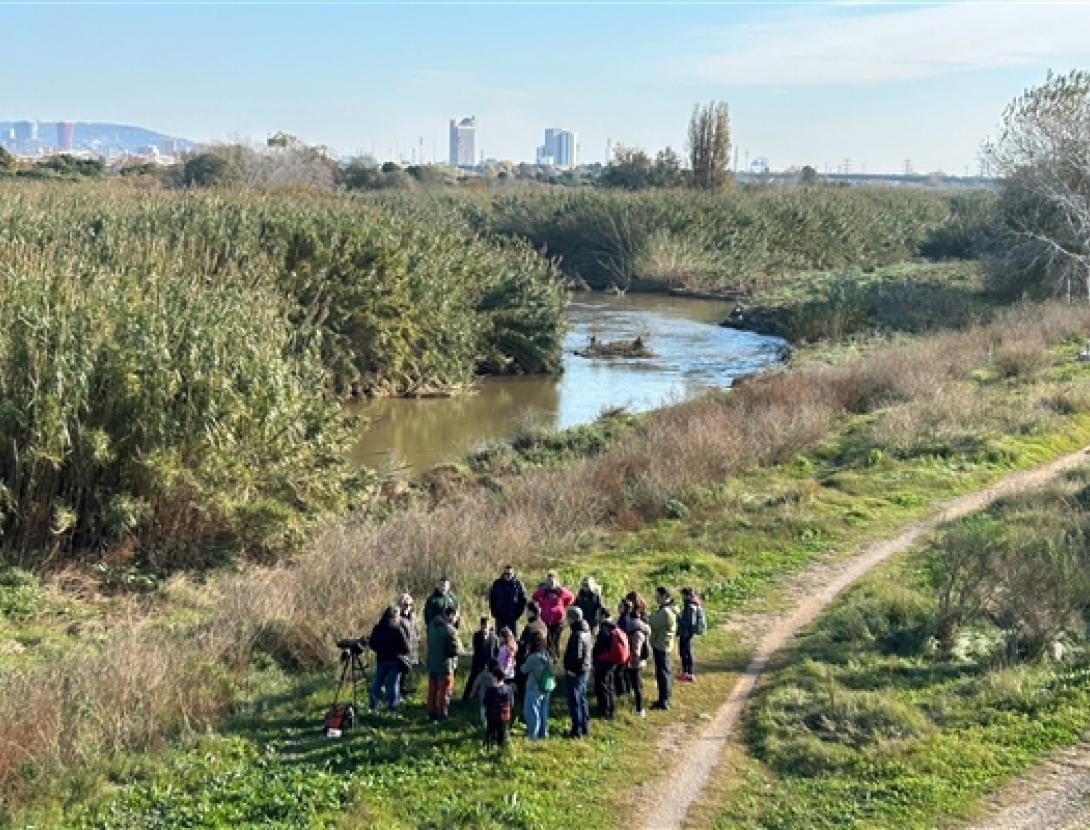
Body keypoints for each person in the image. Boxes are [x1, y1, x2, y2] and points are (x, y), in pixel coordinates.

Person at [368, 605, 411, 711]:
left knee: (377, 682)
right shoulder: (397, 628)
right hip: (394, 660)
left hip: (381, 659)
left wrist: (379, 650)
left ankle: (372, 704)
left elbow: (372, 643)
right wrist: (399, 652)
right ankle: (392, 706)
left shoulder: (378, 627)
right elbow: (406, 648)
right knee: (393, 684)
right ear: (395, 616)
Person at [425, 606, 463, 721]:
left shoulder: (431, 625)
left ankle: (431, 713)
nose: (456, 619)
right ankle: (442, 715)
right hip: (445, 665)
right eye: (456, 617)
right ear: (451, 615)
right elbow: (456, 650)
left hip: (432, 663)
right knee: (444, 692)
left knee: (432, 691)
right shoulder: (450, 630)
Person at [563, 606, 593, 738]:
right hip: (585, 669)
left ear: (572, 619)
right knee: (582, 698)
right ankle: (584, 725)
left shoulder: (577, 634)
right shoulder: (586, 630)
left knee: (574, 701)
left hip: (576, 672)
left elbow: (577, 655)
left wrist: (571, 670)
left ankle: (576, 730)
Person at [618, 598, 651, 717]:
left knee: (637, 687)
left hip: (635, 662)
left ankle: (640, 710)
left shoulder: (637, 631)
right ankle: (636, 706)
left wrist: (631, 663)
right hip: (635, 661)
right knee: (636, 685)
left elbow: (636, 650)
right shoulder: (637, 627)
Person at [532, 570, 575, 658]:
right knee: (546, 641)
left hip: (558, 621)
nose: (550, 584)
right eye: (548, 581)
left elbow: (571, 597)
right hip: (544, 621)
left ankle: (555, 658)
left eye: (552, 581)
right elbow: (534, 597)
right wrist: (543, 589)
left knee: (555, 641)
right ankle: (548, 658)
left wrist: (560, 591)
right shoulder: (543, 591)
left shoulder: (560, 591)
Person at [521, 631, 554, 740]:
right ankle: (543, 733)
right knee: (543, 712)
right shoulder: (547, 655)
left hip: (534, 688)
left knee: (532, 712)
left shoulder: (533, 658)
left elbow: (523, 669)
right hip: (546, 687)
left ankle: (533, 735)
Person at [649, 587, 678, 711]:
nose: (656, 598)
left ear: (664, 596)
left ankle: (664, 701)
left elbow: (652, 622)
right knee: (665, 673)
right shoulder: (669, 609)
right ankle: (664, 698)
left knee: (663, 674)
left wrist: (650, 616)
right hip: (664, 644)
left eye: (657, 596)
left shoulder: (665, 611)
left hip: (661, 645)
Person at [591, 612, 621, 719]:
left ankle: (605, 710)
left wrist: (593, 657)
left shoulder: (604, 630)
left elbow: (598, 648)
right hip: (611, 661)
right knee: (609, 685)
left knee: (602, 686)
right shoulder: (614, 628)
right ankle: (611, 708)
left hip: (603, 661)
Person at [515, 601, 547, 700]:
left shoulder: (531, 626)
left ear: (532, 612)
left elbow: (526, 644)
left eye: (527, 611)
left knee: (524, 678)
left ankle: (523, 697)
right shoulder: (542, 624)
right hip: (541, 655)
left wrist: (520, 655)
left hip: (529, 656)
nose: (526, 613)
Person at [462, 616, 499, 702]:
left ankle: (491, 698)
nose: (485, 628)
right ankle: (465, 698)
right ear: (481, 626)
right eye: (483, 626)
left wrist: (492, 663)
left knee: (491, 681)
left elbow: (496, 651)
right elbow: (477, 650)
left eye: (486, 626)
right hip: (478, 662)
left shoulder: (494, 637)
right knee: (472, 679)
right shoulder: (477, 636)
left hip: (490, 663)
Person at [489, 565, 528, 638]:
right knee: (499, 638)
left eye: (509, 574)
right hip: (500, 617)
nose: (507, 576)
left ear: (513, 574)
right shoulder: (497, 584)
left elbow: (523, 600)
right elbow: (492, 598)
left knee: (513, 638)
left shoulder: (518, 584)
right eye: (505, 574)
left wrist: (517, 614)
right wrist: (494, 613)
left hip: (512, 617)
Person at [677, 586, 707, 682]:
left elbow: (690, 621)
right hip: (688, 632)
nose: (682, 597)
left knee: (684, 652)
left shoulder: (690, 606)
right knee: (686, 652)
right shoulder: (692, 604)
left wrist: (679, 618)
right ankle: (688, 673)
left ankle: (687, 673)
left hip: (686, 632)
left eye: (683, 595)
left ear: (687, 595)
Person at [482, 665, 515, 749]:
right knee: (502, 733)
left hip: (492, 716)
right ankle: (501, 748)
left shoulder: (490, 690)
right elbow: (511, 703)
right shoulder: (509, 689)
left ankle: (489, 746)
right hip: (505, 716)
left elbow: (485, 703)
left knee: (490, 732)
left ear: (495, 677)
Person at [397, 593, 420, 698]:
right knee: (400, 673)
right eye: (405, 604)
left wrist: (417, 638)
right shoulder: (397, 617)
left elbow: (416, 630)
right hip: (402, 649)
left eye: (410, 605)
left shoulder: (413, 616)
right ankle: (399, 694)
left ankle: (404, 692)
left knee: (407, 673)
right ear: (400, 605)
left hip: (412, 648)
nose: (408, 607)